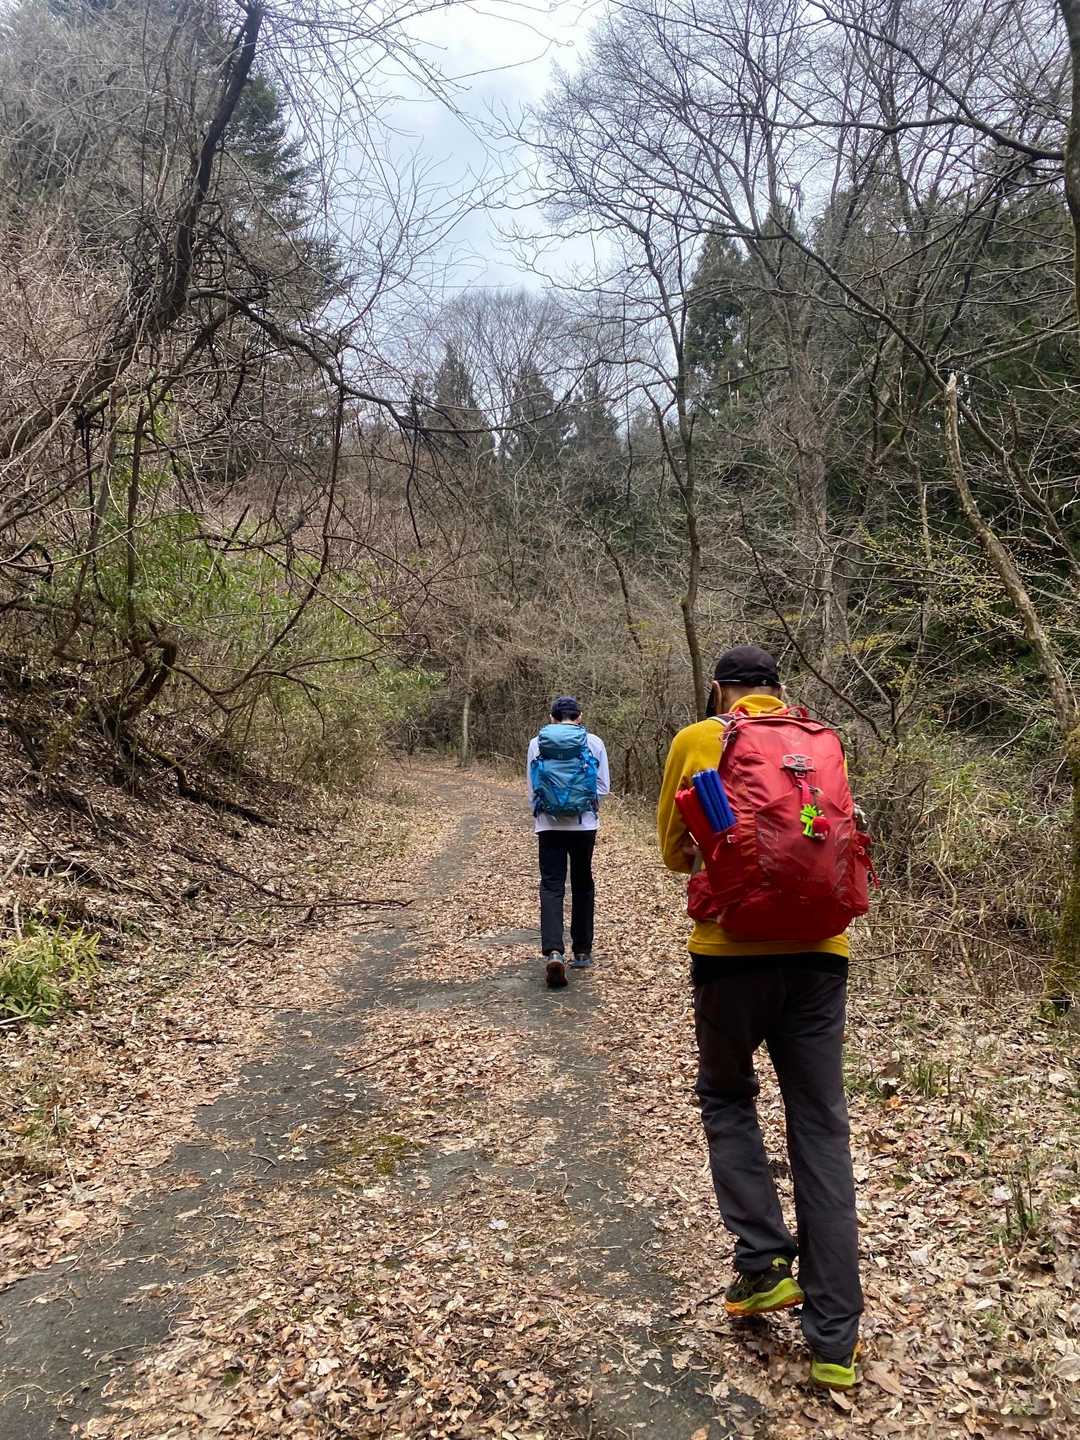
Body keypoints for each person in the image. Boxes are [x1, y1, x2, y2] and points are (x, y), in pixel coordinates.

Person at [656, 645, 863, 1391]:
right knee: (821, 1128)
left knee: (726, 1097)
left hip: (729, 953)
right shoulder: (822, 741)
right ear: (780, 688)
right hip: (821, 956)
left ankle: (764, 1261)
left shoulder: (699, 739)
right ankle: (835, 1342)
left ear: (720, 690)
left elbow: (674, 854)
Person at [526, 696, 610, 990]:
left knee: (551, 885)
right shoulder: (594, 742)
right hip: (584, 825)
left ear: (551, 718)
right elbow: (603, 787)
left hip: (548, 825)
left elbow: (533, 788)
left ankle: (554, 951)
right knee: (583, 883)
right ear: (579, 716)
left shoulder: (537, 743)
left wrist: (546, 810)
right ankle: (582, 951)